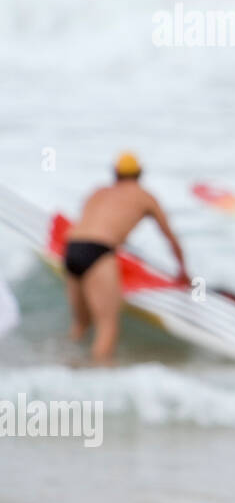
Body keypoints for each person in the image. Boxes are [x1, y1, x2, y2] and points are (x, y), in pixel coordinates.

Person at [64, 152, 188, 363]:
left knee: (81, 325)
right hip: (99, 251)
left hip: (72, 248)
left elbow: (88, 223)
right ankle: (98, 380)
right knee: (107, 326)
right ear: (140, 174)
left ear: (115, 173)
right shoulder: (145, 196)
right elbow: (171, 238)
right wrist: (183, 273)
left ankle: (64, 369)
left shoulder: (99, 192)